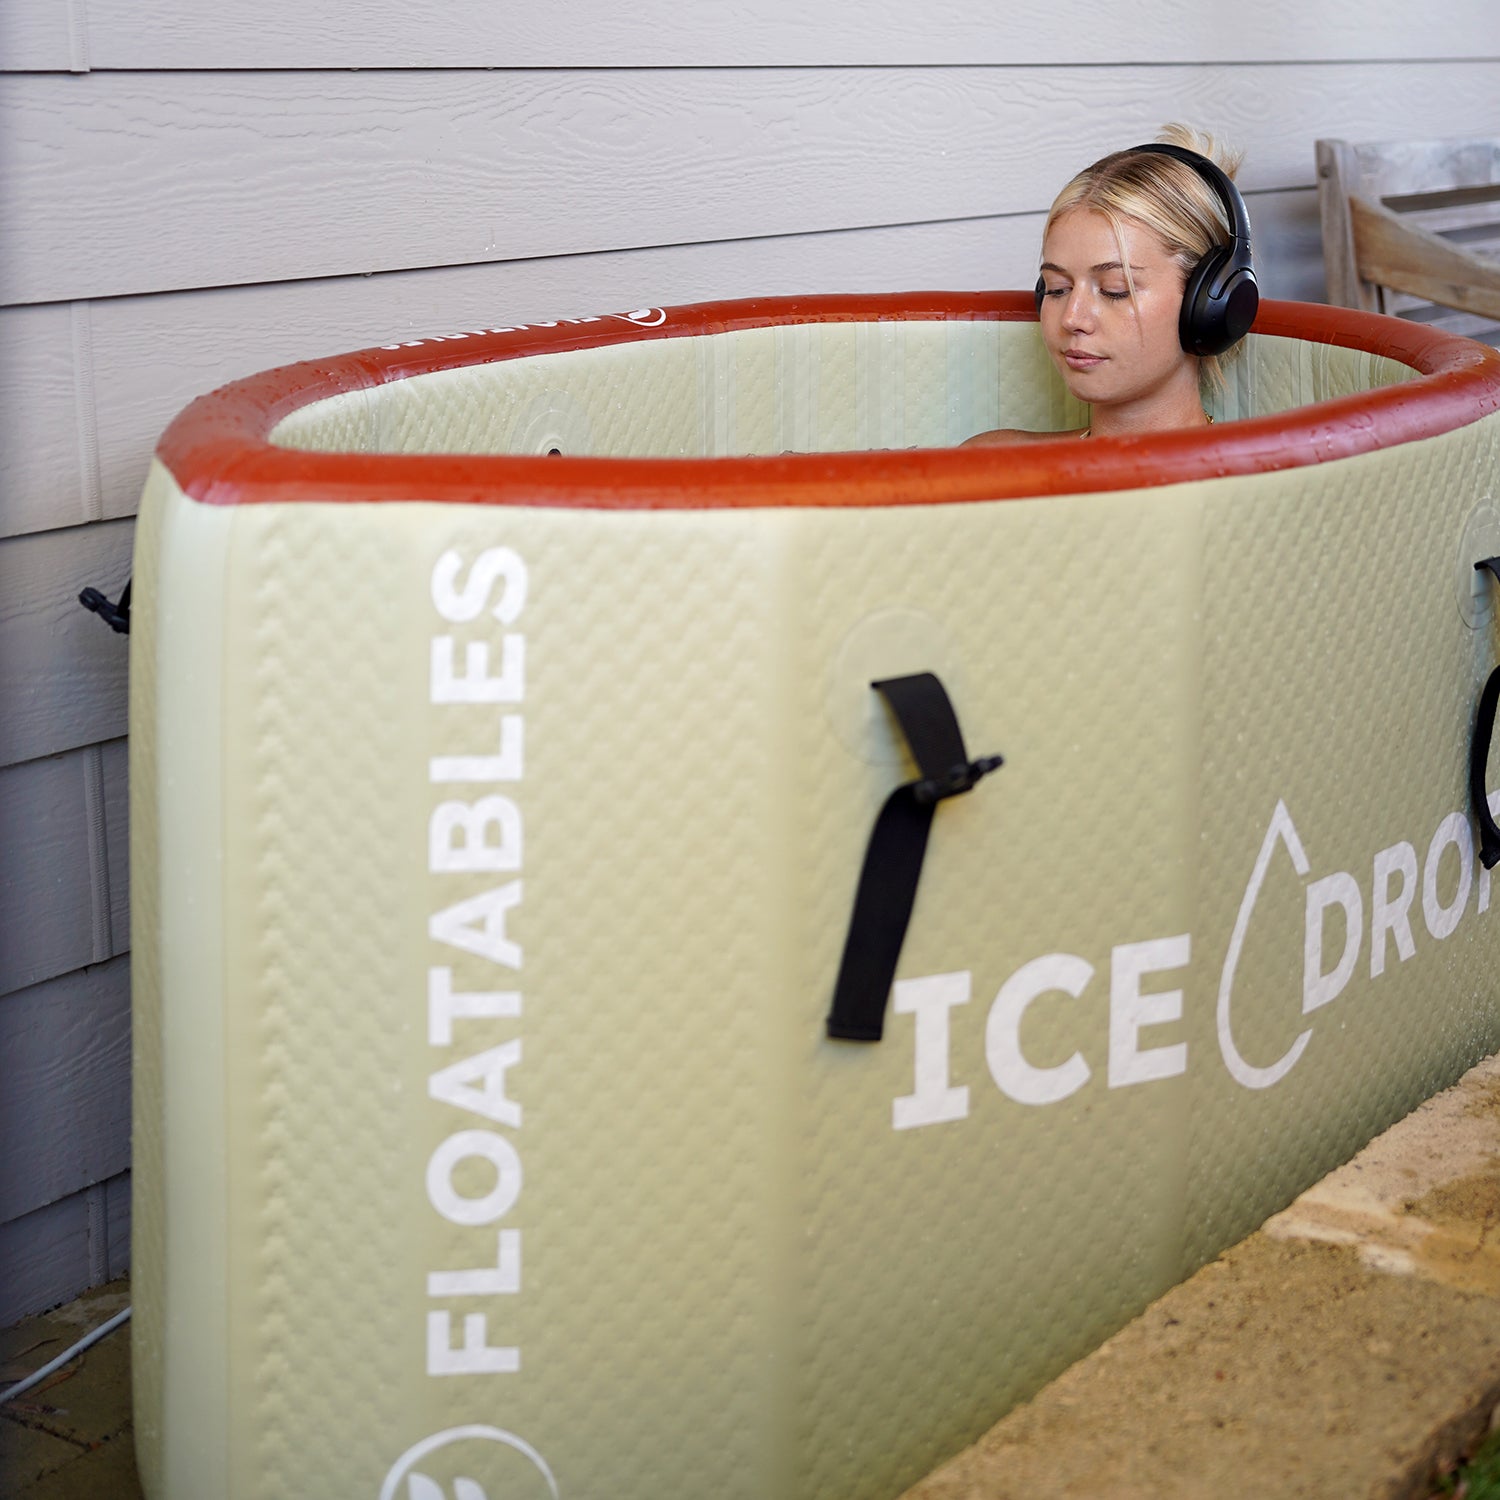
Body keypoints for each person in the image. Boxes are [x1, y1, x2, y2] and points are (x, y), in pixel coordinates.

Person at [965, 124, 1253, 445]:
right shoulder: (990, 458)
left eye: (1115, 289)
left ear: (1210, 305)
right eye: (1057, 288)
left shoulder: (1254, 487)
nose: (1072, 318)